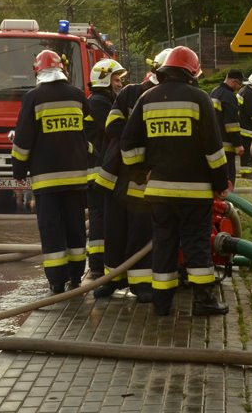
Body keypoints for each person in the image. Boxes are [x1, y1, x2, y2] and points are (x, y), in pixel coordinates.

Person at [120, 46, 230, 316]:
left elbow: (128, 144)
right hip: (196, 193)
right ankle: (204, 302)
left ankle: (161, 304)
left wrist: (138, 173)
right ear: (192, 72)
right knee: (197, 246)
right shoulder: (199, 99)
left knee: (164, 245)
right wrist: (220, 183)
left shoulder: (147, 99)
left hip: (159, 192)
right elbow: (213, 151)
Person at [92, 48, 172, 301]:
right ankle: (111, 280)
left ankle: (141, 285)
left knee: (141, 231)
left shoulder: (170, 98)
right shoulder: (130, 93)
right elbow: (112, 125)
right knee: (114, 230)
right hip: (116, 175)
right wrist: (138, 135)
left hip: (142, 179)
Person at [11, 50, 91, 294]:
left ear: (38, 71)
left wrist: (19, 171)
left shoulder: (33, 98)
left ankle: (57, 282)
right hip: (77, 178)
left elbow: (23, 140)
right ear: (62, 70)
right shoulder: (78, 96)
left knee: (52, 229)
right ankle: (77, 276)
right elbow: (89, 131)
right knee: (76, 227)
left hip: (47, 181)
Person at [84, 58, 127, 280]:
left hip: (102, 171)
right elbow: (114, 129)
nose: (119, 84)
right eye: (116, 79)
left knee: (103, 217)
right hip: (98, 172)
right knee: (100, 219)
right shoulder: (99, 102)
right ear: (104, 79)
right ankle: (98, 266)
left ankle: (100, 264)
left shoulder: (104, 99)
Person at [210, 69, 244, 186]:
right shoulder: (229, 96)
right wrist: (238, 144)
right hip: (227, 147)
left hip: (214, 144)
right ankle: (228, 202)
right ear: (234, 81)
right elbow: (231, 124)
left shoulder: (214, 92)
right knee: (229, 179)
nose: (239, 88)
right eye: (239, 85)